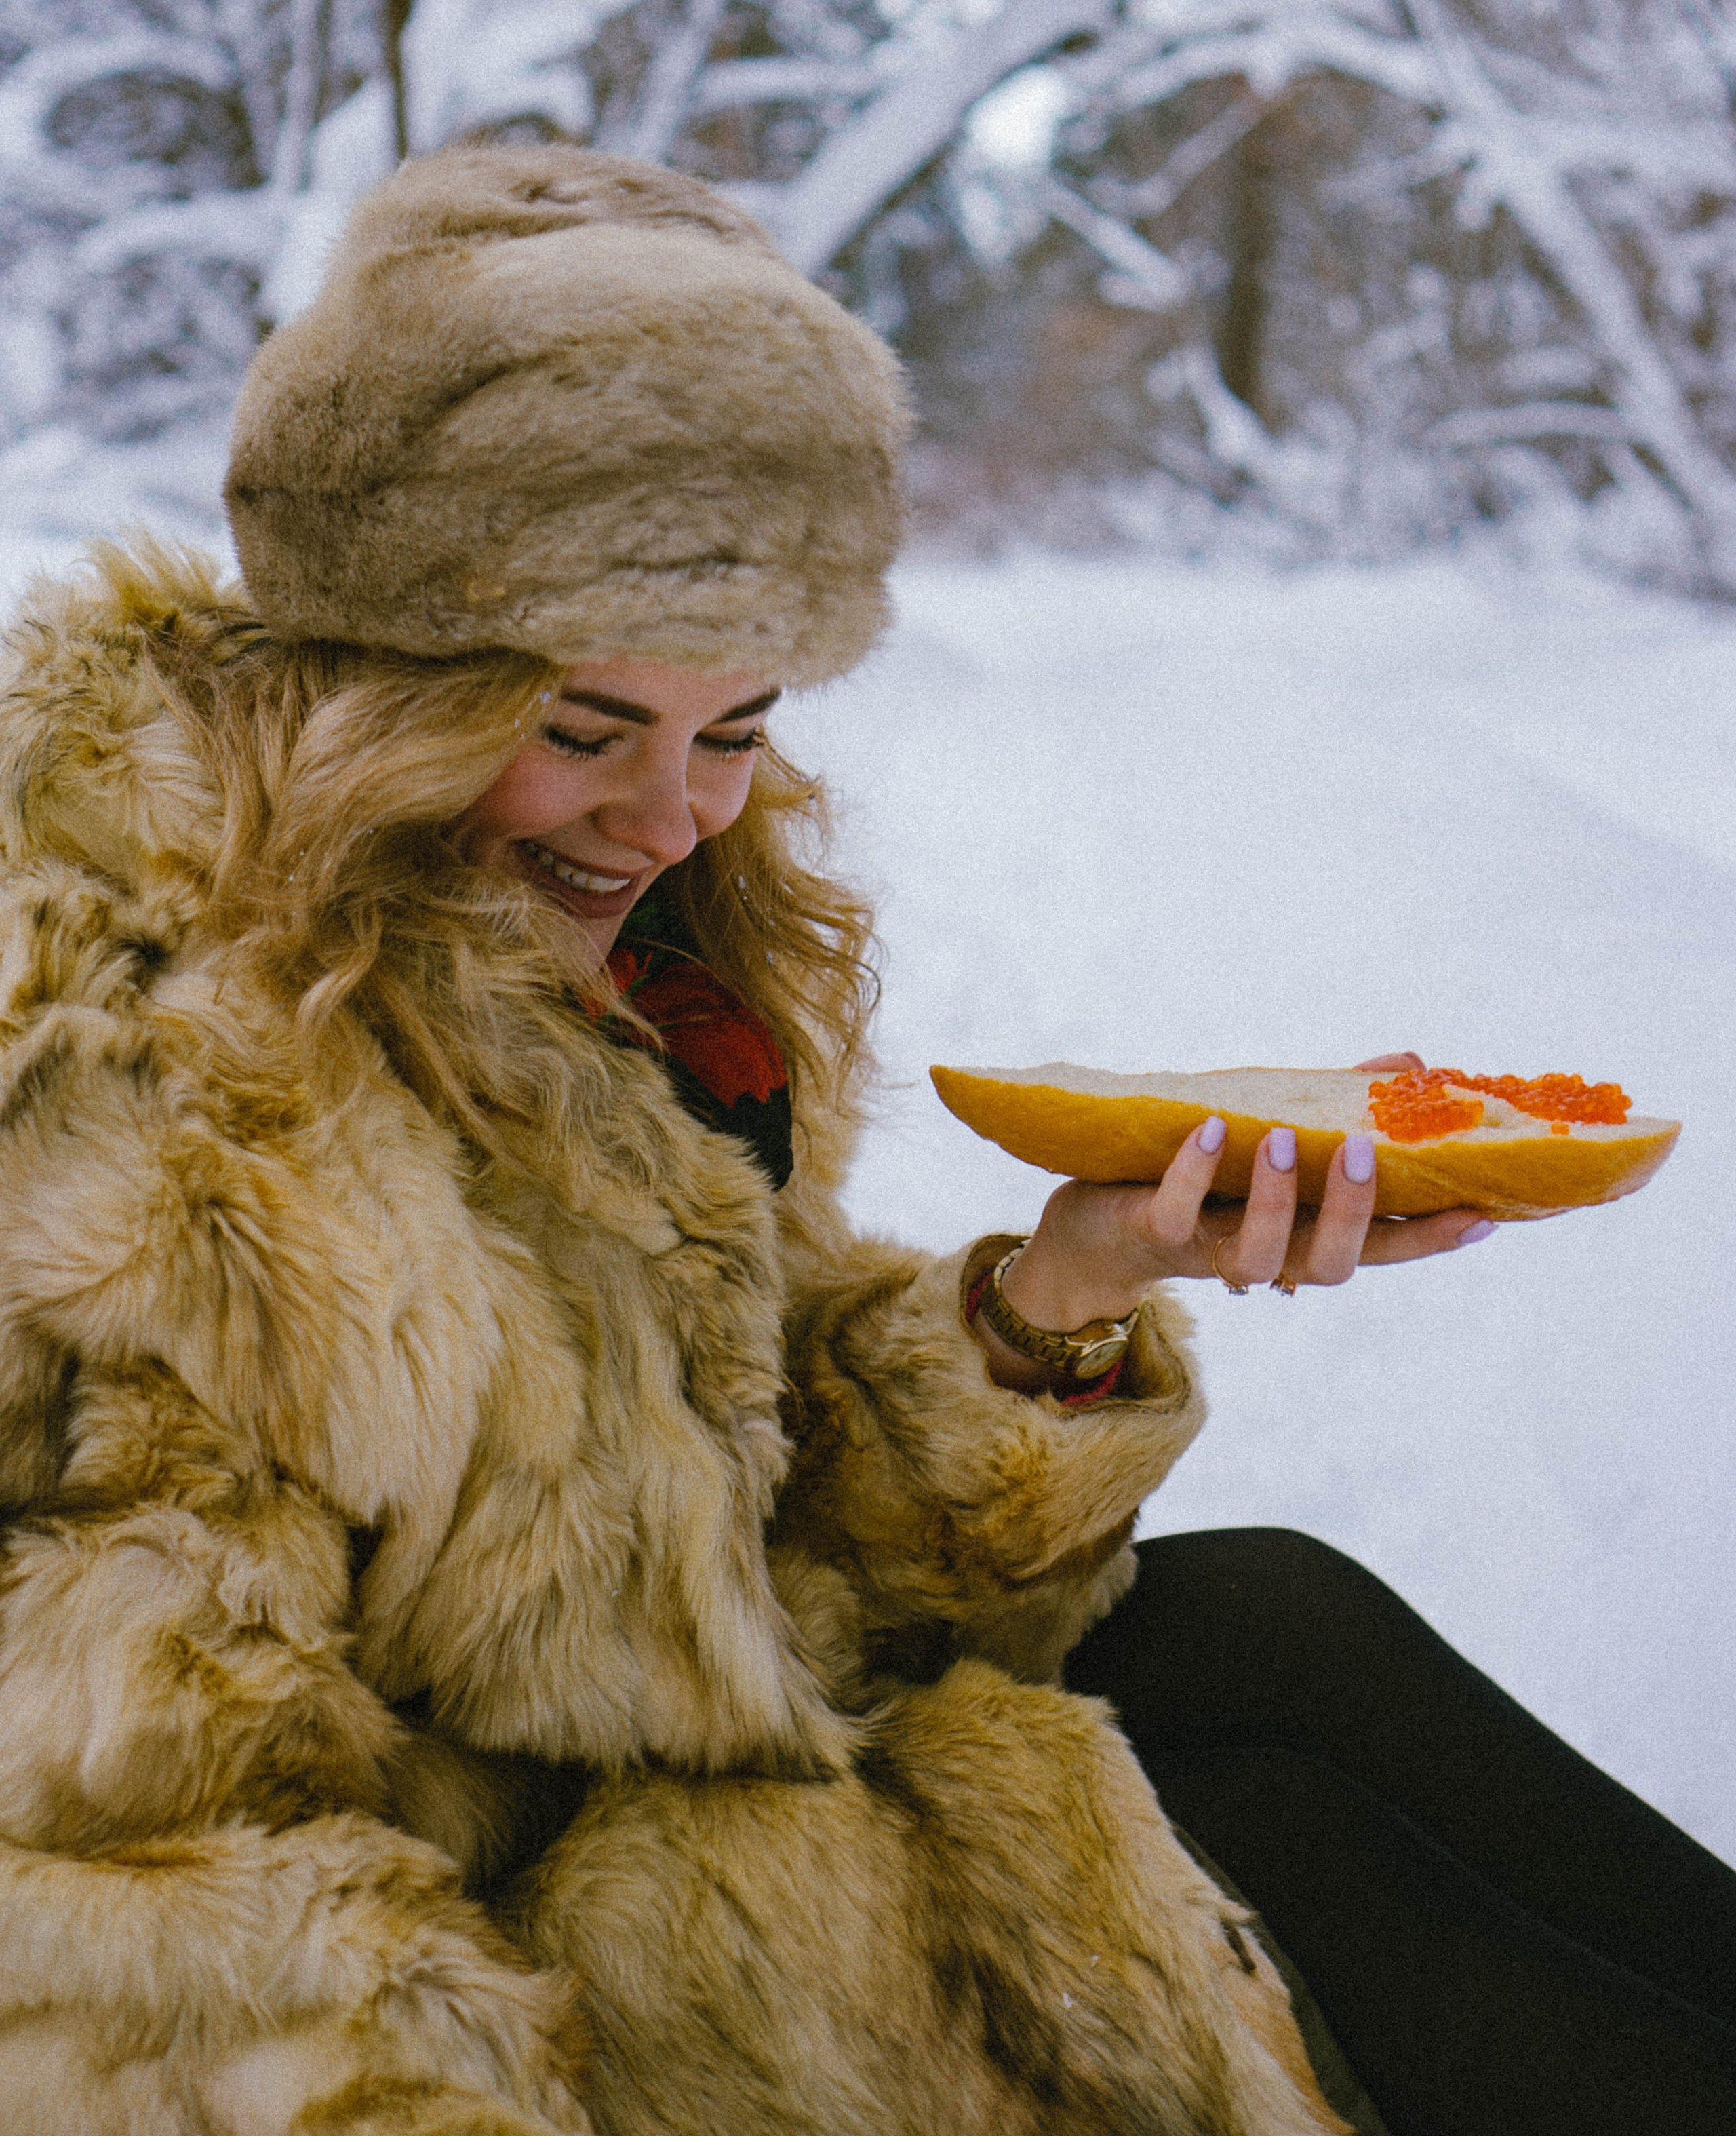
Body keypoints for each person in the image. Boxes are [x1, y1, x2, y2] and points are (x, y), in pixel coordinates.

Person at [0, 144, 1720, 2136]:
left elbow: (718, 1559)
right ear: (373, 674)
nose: (676, 819)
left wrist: (1061, 1299)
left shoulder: (596, 988)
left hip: (670, 1804)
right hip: (508, 1976)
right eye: (581, 728)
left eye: (733, 730)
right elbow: (121, 1895)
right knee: (1281, 1886)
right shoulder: (151, 1125)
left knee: (1266, 1628)